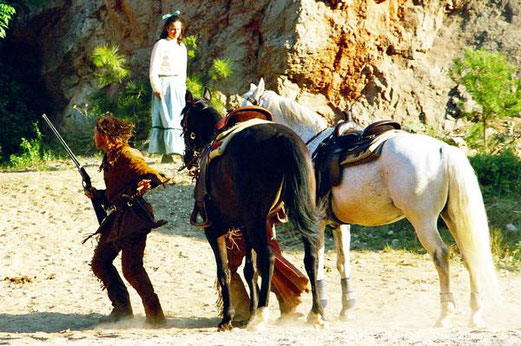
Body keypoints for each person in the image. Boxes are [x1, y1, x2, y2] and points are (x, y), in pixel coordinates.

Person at [86, 114, 170, 326]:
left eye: (96, 132)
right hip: (118, 219)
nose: (94, 136)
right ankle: (122, 309)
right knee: (101, 263)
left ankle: (156, 316)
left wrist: (148, 183)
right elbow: (116, 193)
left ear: (105, 135)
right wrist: (98, 195)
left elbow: (153, 175)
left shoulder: (127, 155)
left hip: (134, 220)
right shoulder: (110, 156)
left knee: (132, 269)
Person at [148, 10, 187, 163]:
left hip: (177, 85)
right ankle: (167, 152)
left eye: (178, 29)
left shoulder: (181, 46)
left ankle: (181, 149)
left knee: (179, 117)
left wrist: (182, 87)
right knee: (166, 117)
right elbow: (154, 68)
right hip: (164, 84)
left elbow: (183, 69)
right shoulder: (161, 45)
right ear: (166, 29)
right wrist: (156, 87)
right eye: (172, 29)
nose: (175, 32)